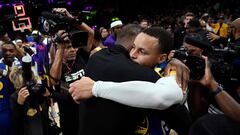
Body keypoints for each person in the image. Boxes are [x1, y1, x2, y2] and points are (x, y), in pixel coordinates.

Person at [70, 24, 190, 135]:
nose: (132, 54)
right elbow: (176, 109)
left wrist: (96, 87)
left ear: (161, 58)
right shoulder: (142, 74)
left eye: (142, 51)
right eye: (133, 47)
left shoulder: (98, 56)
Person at [49, 8, 94, 135]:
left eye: (74, 46)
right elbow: (54, 81)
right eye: (69, 47)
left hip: (88, 110)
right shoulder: (56, 65)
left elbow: (90, 33)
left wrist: (71, 19)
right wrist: (60, 49)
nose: (73, 50)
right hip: (69, 115)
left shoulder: (81, 55)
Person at [0, 41, 21, 135]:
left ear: (15, 52)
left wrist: (3, 72)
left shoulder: (21, 65)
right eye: (5, 51)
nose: (7, 53)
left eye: (11, 50)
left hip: (17, 108)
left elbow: (19, 83)